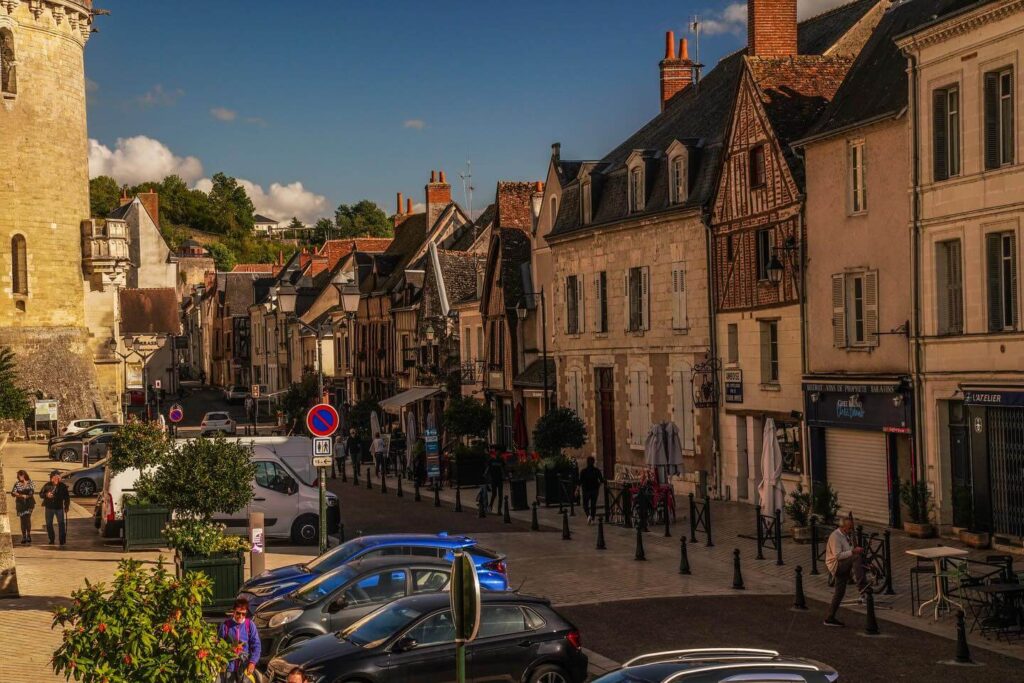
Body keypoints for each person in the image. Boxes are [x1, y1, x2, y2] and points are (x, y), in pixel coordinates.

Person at [824, 514, 868, 627]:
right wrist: (854, 551)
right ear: (843, 527)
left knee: (839, 593)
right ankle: (862, 586)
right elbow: (838, 556)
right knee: (856, 557)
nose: (851, 530)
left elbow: (848, 551)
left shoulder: (845, 535)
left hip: (843, 565)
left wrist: (855, 550)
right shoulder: (836, 537)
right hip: (836, 565)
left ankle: (830, 617)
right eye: (849, 528)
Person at [218, 597, 261, 682]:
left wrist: (252, 662)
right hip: (229, 667)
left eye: (243, 614)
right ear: (233, 611)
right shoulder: (226, 626)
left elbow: (256, 645)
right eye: (238, 613)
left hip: (245, 666)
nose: (240, 616)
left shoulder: (250, 625)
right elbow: (219, 644)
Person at [39, 469, 70, 547]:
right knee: (49, 524)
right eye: (54, 477)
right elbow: (41, 494)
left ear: (59, 478)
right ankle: (51, 539)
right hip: (49, 507)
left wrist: (66, 506)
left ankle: (62, 540)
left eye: (58, 477)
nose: (56, 479)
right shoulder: (47, 485)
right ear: (51, 478)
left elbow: (67, 497)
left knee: (61, 524)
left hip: (59, 507)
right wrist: (46, 494)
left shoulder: (63, 486)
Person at [10, 469, 35, 545]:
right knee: (22, 520)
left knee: (27, 519)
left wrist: (25, 496)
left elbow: (31, 492)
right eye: (19, 476)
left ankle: (29, 535)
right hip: (20, 504)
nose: (20, 477)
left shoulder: (31, 482)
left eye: (21, 475)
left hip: (29, 503)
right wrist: (20, 495)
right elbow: (13, 493)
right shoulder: (17, 483)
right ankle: (24, 536)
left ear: (24, 475)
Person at [578, 456, 605, 524]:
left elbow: (580, 481)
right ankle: (592, 518)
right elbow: (601, 480)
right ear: (593, 462)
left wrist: (577, 489)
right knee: (593, 505)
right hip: (594, 490)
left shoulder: (583, 471)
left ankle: (588, 515)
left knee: (585, 505)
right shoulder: (597, 470)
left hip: (586, 490)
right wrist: (598, 485)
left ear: (587, 462)